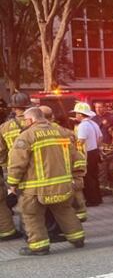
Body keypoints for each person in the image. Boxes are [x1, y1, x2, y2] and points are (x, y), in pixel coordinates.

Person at [7, 107, 85, 256]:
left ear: (30, 120)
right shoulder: (62, 132)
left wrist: (12, 183)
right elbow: (78, 158)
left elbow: (17, 163)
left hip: (35, 189)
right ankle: (77, 238)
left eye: (25, 120)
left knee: (31, 215)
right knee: (65, 211)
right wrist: (77, 177)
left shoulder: (26, 136)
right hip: (63, 185)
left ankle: (39, 246)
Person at [41, 105, 87, 223]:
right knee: (76, 190)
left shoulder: (41, 132)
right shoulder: (66, 132)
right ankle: (80, 214)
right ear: (52, 117)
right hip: (71, 167)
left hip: (55, 170)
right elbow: (76, 151)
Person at [0, 92, 30, 241]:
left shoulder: (4, 127)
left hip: (14, 168)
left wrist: (6, 169)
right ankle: (34, 230)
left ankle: (27, 230)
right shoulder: (34, 121)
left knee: (19, 201)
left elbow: (1, 152)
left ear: (13, 108)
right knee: (31, 200)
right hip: (35, 167)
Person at [71, 102, 102, 206]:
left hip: (87, 153)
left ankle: (91, 200)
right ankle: (98, 198)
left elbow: (81, 141)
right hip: (94, 151)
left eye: (76, 114)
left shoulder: (83, 126)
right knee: (94, 176)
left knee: (88, 177)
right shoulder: (94, 124)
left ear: (80, 114)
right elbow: (100, 138)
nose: (75, 116)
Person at [93, 102, 113, 195]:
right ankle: (102, 189)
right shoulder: (93, 119)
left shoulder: (112, 117)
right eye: (96, 107)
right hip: (99, 147)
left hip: (111, 147)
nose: (98, 109)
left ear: (104, 107)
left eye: (100, 107)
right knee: (101, 169)